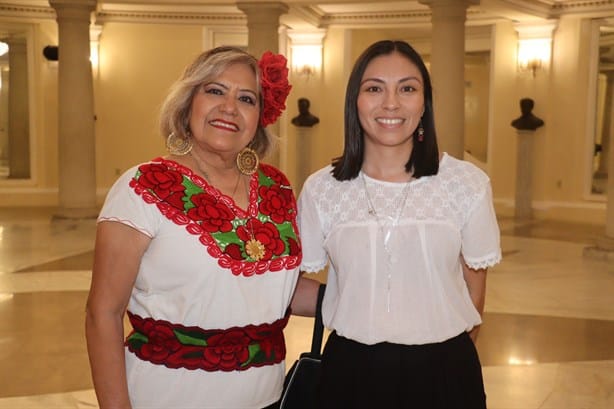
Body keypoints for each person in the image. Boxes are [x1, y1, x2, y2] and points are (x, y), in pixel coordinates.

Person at [85, 46, 300, 409]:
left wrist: (356, 293)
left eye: (246, 98)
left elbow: (275, 288)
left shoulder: (276, 187)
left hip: (267, 397)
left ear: (261, 116)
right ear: (188, 103)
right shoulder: (143, 187)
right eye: (215, 91)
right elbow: (102, 314)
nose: (229, 107)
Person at [293, 40, 502, 408]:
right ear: (355, 101)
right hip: (351, 371)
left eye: (407, 88)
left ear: (424, 104)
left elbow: (475, 287)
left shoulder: (464, 183)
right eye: (374, 88)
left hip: (446, 371)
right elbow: (297, 284)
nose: (391, 103)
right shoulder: (322, 189)